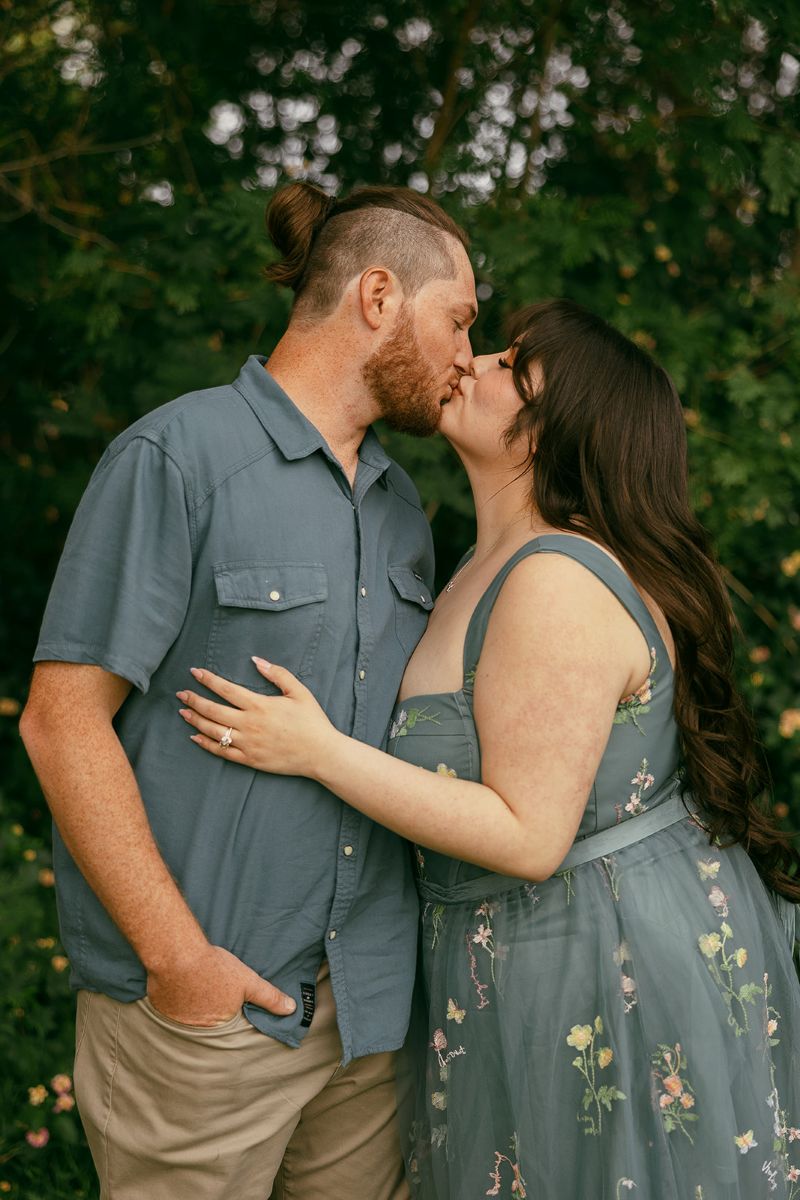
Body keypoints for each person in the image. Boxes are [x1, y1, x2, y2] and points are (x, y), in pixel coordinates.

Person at [176, 299, 800, 1199]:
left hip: (592, 963)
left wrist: (315, 750)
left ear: (555, 433)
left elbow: (528, 835)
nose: (478, 361)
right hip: (505, 957)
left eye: (516, 366)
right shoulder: (480, 561)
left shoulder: (555, 581)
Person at [19, 181, 478, 1200]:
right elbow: (60, 724)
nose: (464, 359)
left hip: (366, 1027)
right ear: (376, 296)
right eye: (458, 320)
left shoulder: (404, 509)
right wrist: (181, 963)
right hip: (203, 1024)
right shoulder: (176, 458)